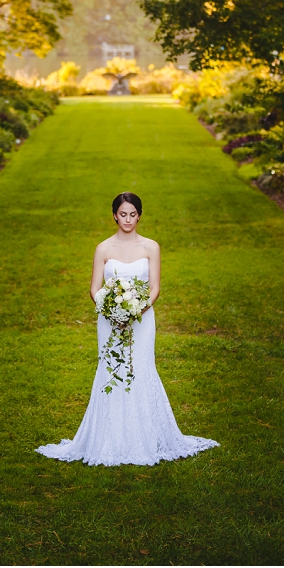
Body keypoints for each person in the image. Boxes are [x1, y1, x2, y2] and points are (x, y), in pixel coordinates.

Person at [36, 192, 219, 466]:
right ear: (114, 215)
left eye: (133, 214)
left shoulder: (151, 247)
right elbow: (94, 288)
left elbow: (155, 288)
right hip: (109, 321)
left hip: (142, 320)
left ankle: (145, 436)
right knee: (111, 370)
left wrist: (135, 311)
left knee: (141, 368)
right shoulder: (103, 249)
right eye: (123, 214)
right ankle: (108, 438)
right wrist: (112, 310)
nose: (128, 220)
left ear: (140, 215)